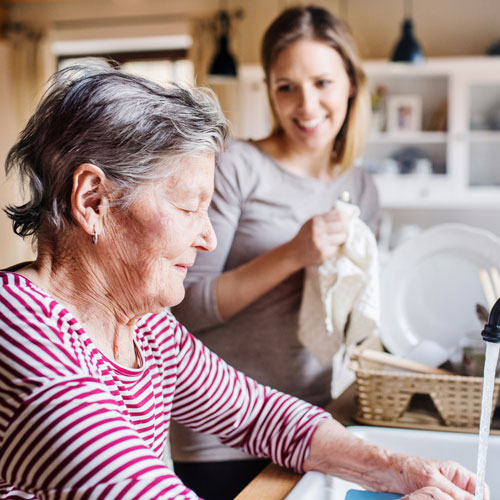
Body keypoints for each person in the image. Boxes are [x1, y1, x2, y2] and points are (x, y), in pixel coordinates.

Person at [0, 61, 481, 500]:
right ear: (93, 201)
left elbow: (259, 415)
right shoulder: (23, 336)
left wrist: (399, 470)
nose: (208, 237)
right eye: (189, 207)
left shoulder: (142, 323)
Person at [170, 5, 378, 498]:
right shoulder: (236, 166)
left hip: (314, 422)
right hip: (221, 433)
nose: (306, 105)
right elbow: (185, 307)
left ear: (351, 83)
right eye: (286, 86)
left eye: (323, 83)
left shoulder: (363, 187)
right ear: (269, 91)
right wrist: (292, 253)